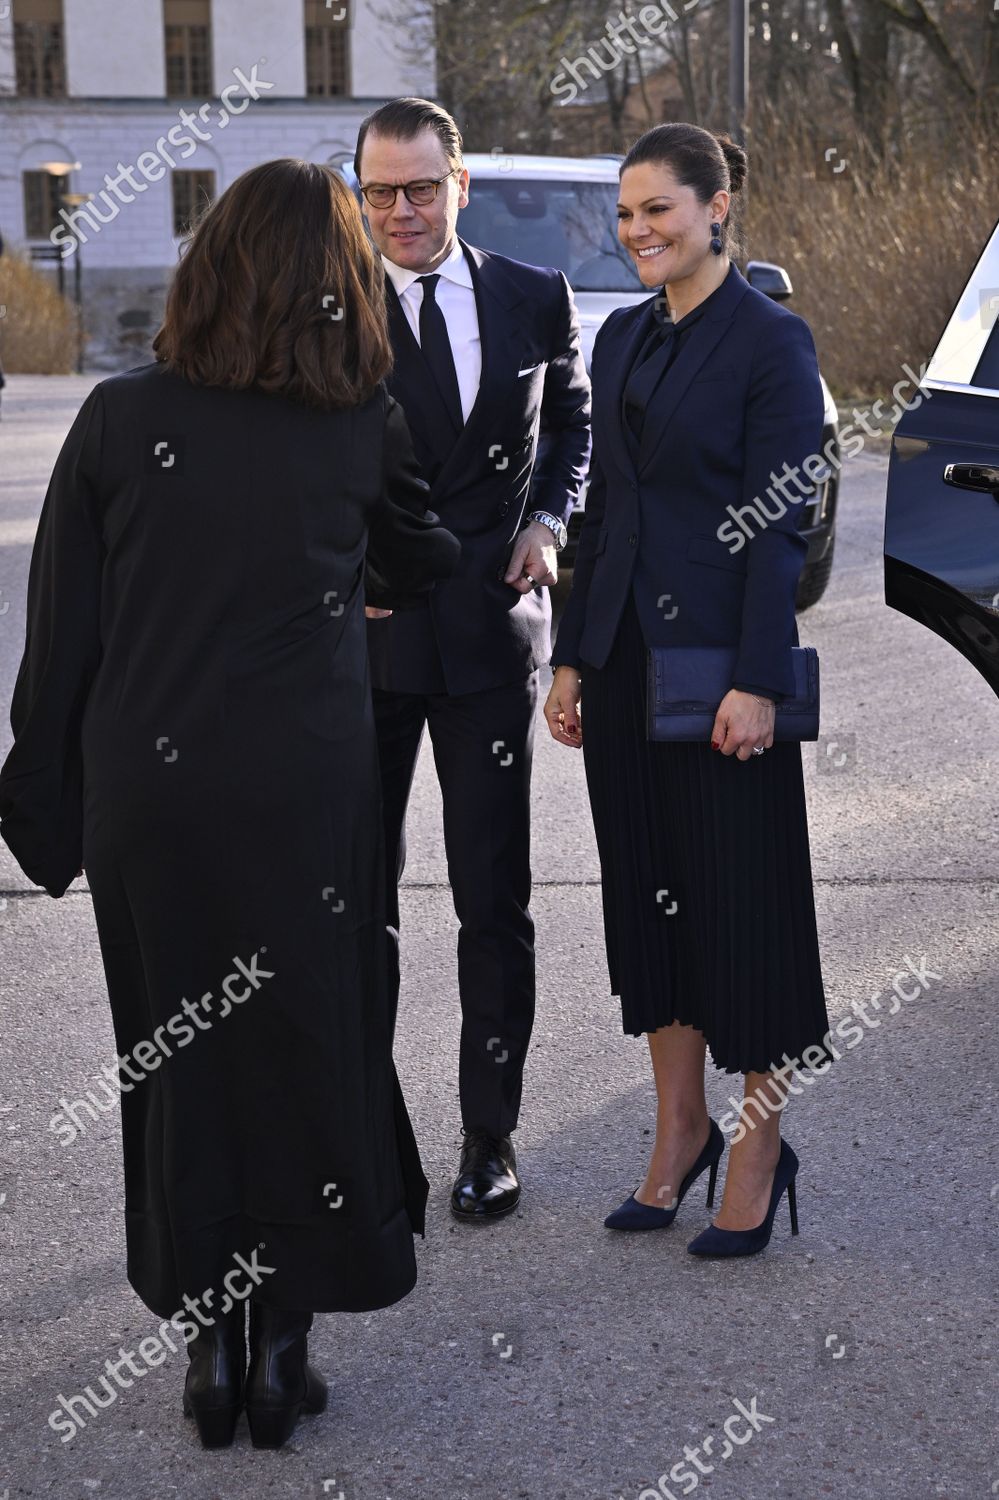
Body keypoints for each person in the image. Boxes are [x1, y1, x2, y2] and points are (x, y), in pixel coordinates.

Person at [0, 159, 460, 1448]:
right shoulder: (363, 421)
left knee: (181, 1057)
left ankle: (210, 1349)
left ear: (208, 268)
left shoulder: (116, 418)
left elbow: (63, 643)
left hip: (155, 801)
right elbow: (424, 559)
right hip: (305, 794)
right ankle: (281, 1358)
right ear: (339, 286)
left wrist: (44, 805)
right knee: (309, 1051)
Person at [544, 123, 830, 1258]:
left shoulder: (773, 343)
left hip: (720, 675)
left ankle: (758, 1143)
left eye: (658, 209)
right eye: (624, 214)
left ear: (718, 209)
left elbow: (782, 528)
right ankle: (679, 1130)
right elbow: (604, 511)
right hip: (622, 668)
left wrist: (759, 680)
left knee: (741, 905)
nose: (638, 232)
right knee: (649, 902)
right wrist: (572, 656)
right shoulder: (618, 339)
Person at [354, 99, 592, 1220]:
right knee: (358, 904)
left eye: (419, 188)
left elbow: (572, 428)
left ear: (462, 185)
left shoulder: (534, 296)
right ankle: (370, 1143)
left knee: (492, 900)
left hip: (494, 641)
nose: (400, 213)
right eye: (378, 193)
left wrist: (550, 521)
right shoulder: (329, 305)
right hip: (365, 647)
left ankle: (489, 1138)